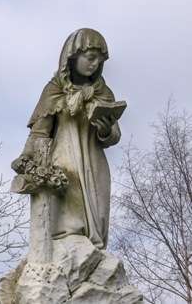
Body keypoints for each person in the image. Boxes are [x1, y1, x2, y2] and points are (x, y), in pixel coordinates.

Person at [12, 28, 121, 249]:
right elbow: (40, 131)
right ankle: (71, 252)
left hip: (94, 163)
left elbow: (113, 136)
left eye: (99, 60)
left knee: (97, 218)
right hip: (65, 159)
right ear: (73, 57)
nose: (94, 64)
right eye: (90, 58)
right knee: (70, 219)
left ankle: (93, 254)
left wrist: (106, 129)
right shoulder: (54, 90)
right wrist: (26, 158)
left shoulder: (104, 92)